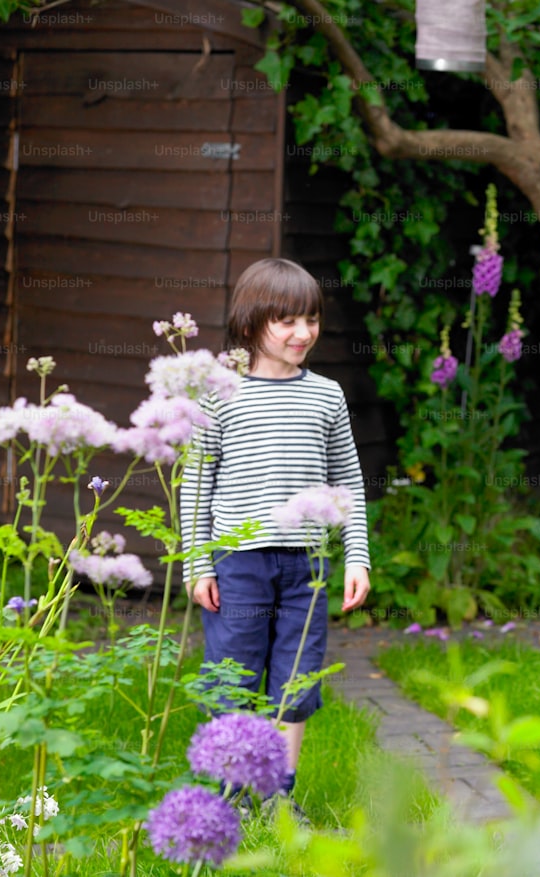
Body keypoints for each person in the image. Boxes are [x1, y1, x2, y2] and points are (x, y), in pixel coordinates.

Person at [180, 257, 371, 807]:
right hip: (238, 563)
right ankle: (232, 790)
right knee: (233, 676)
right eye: (286, 321)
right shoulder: (219, 395)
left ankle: (278, 796)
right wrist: (198, 565)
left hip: (307, 566)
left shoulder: (327, 396)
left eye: (310, 319)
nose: (302, 333)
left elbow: (349, 483)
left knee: (297, 678)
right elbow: (196, 484)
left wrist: (356, 558)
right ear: (250, 323)